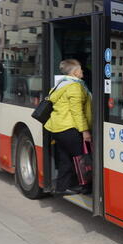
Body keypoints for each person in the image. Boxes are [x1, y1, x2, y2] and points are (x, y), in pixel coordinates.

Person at [43, 59, 93, 195]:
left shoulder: (61, 84)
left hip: (57, 128)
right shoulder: (75, 87)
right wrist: (85, 131)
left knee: (65, 158)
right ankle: (85, 186)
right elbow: (77, 111)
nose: (83, 72)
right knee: (81, 158)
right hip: (70, 128)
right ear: (76, 72)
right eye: (81, 69)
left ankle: (61, 187)